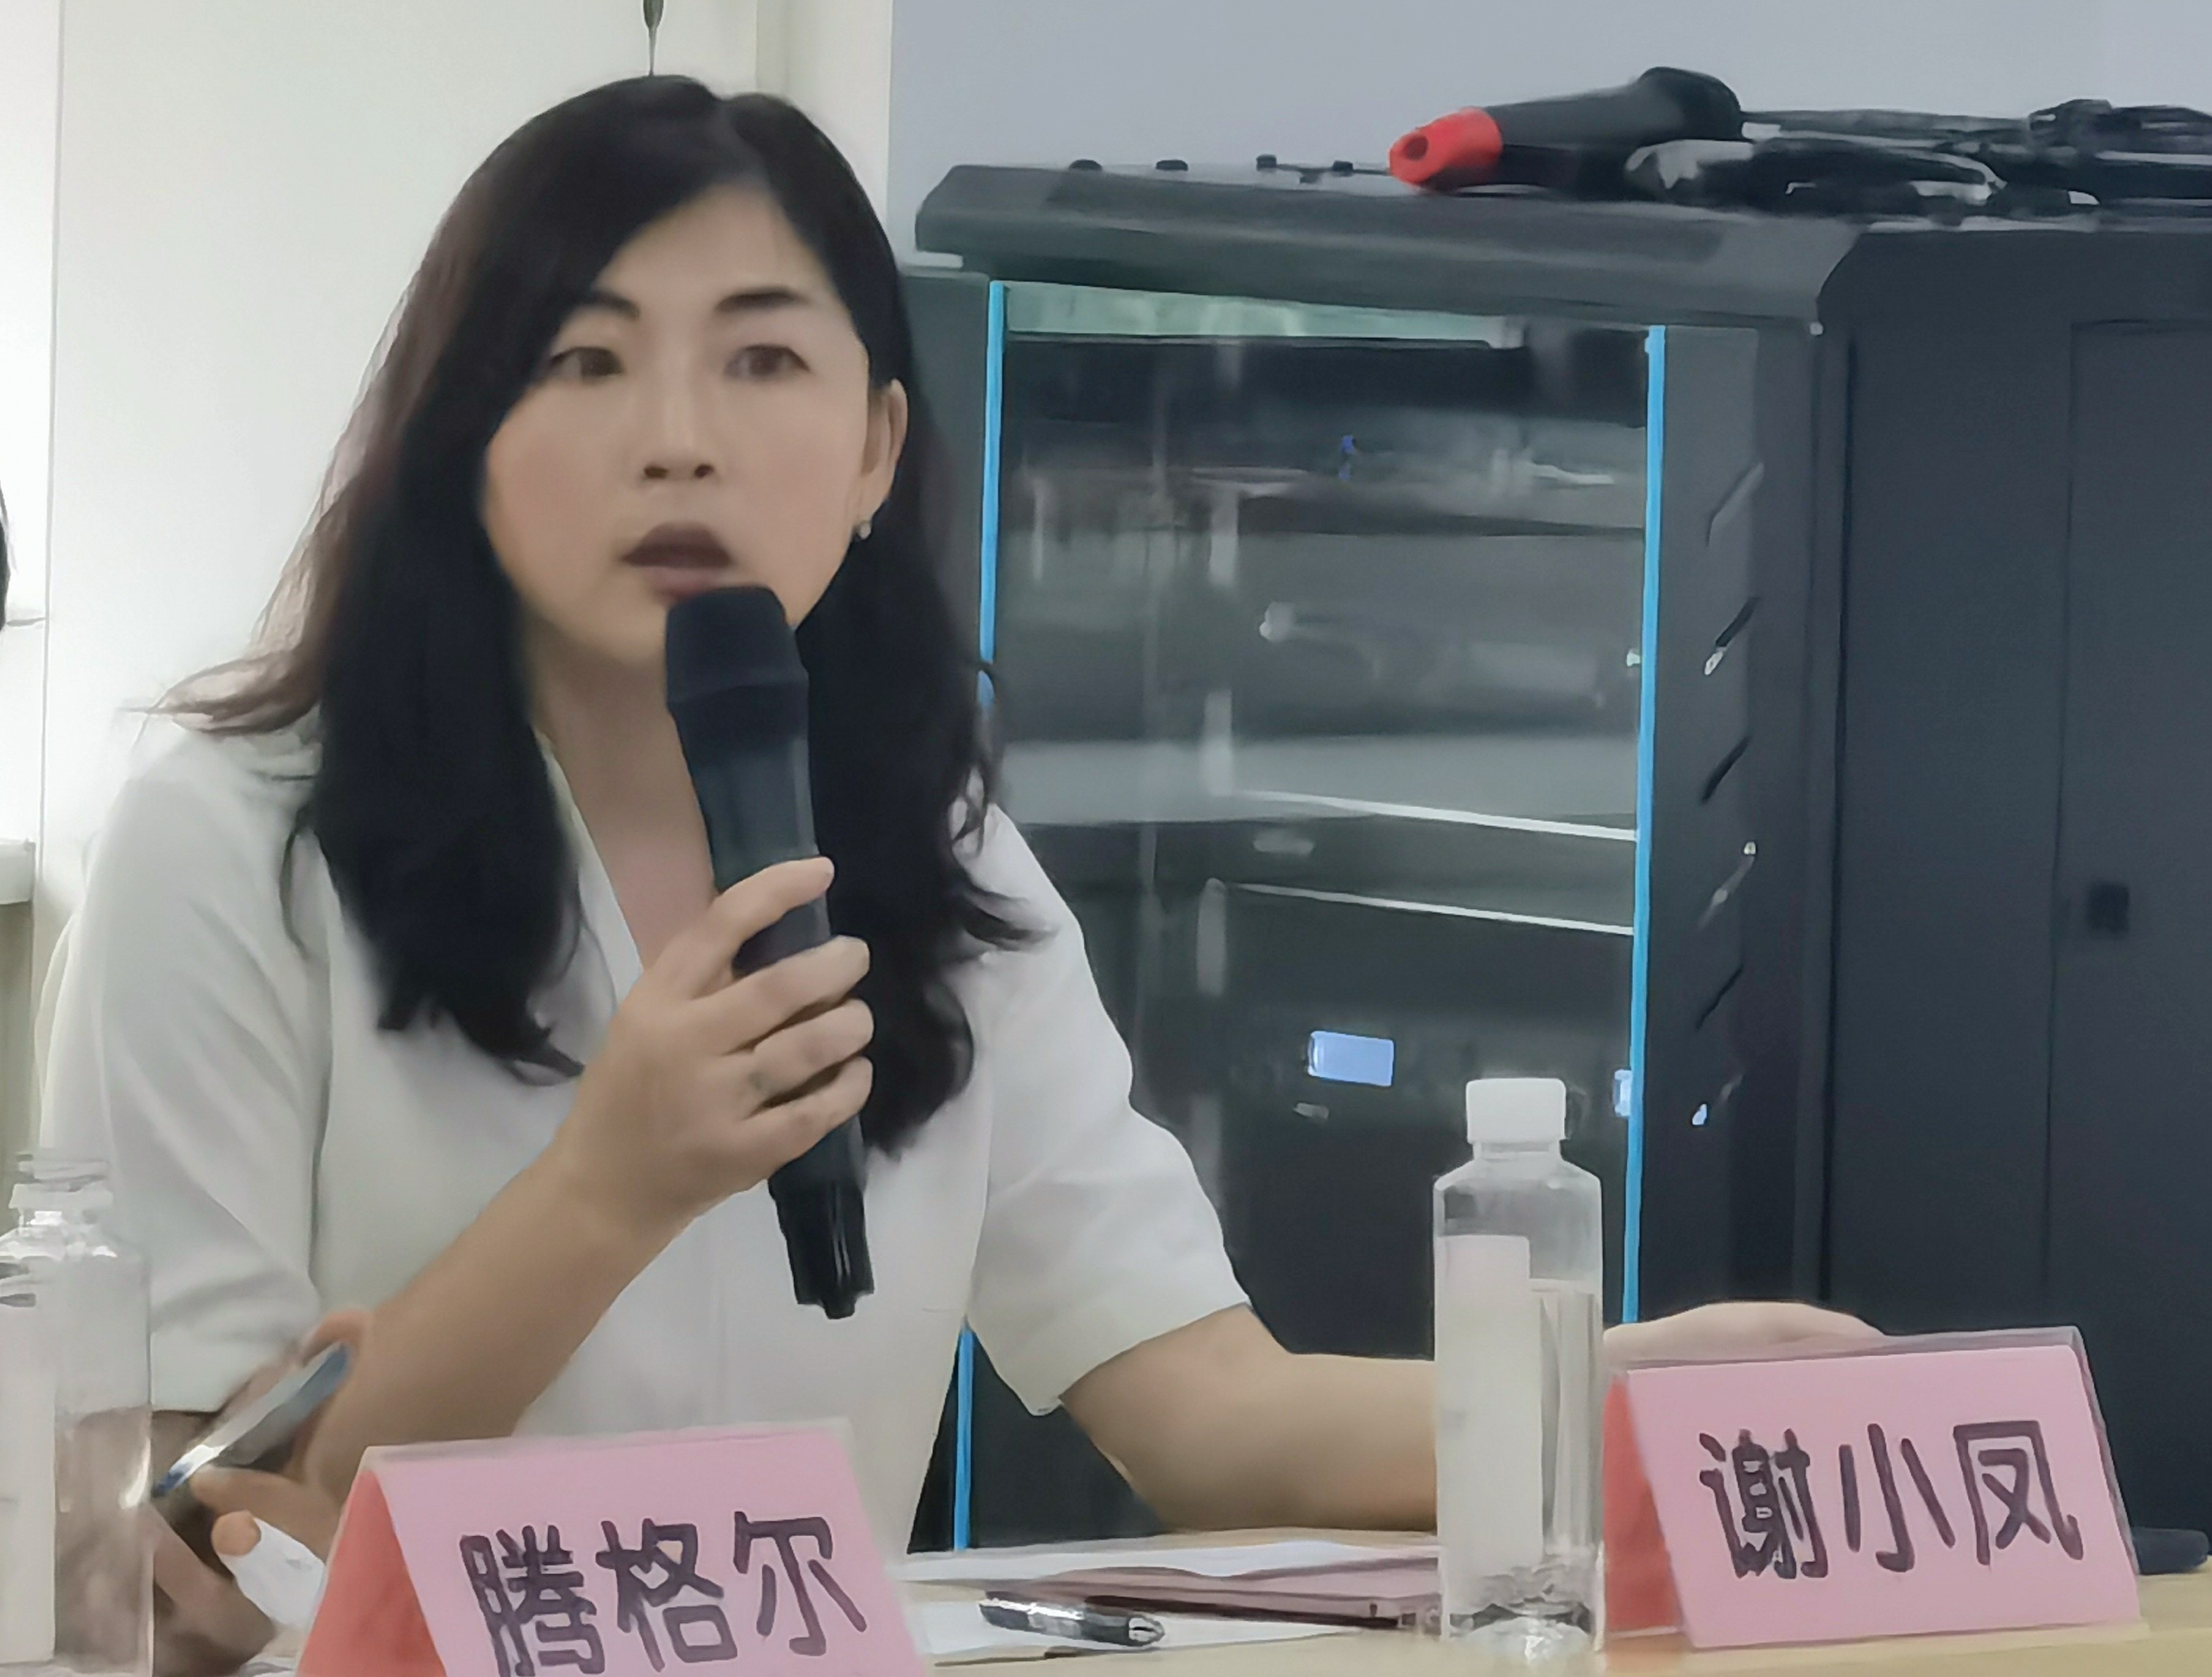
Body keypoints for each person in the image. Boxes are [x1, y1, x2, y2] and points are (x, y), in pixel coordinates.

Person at [41, 79, 1868, 1675]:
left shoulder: (927, 850)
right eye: (583, 361)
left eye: (763, 359)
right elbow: (188, 1563)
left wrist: (1601, 1395)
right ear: (463, 445)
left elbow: (1209, 1414)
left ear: (874, 454)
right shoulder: (230, 848)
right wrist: (607, 1188)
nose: (677, 435)